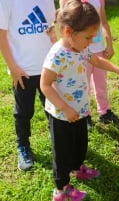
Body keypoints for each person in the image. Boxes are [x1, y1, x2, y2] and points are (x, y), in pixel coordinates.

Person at [40, 0, 119, 200]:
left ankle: (77, 168)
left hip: (80, 109)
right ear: (68, 32)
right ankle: (61, 189)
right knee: (62, 152)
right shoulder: (57, 55)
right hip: (62, 115)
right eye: (88, 37)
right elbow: (45, 85)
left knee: (80, 143)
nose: (91, 42)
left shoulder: (81, 48)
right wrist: (64, 108)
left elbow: (96, 60)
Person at [0, 0, 56, 171]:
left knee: (53, 109)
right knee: (23, 113)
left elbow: (53, 28)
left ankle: (58, 141)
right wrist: (13, 68)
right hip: (22, 72)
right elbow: (1, 36)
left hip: (48, 68)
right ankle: (22, 145)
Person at [60, 0, 119, 127]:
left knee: (101, 84)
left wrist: (109, 44)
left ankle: (104, 112)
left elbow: (103, 22)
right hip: (79, 51)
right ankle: (85, 115)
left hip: (98, 51)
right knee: (83, 85)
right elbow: (64, 24)